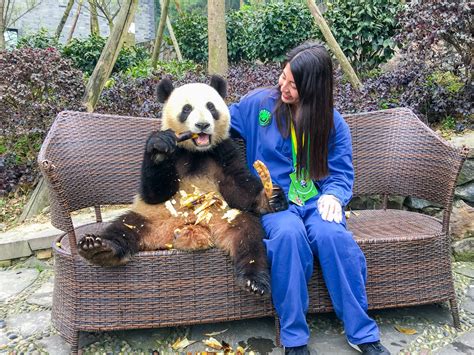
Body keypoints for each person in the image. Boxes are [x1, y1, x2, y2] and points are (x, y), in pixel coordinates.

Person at [229, 42, 390, 355]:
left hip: (317, 203)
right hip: (276, 203)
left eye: (293, 84)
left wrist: (334, 194)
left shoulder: (332, 123)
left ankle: (362, 332)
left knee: (334, 237)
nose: (283, 86)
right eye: (283, 76)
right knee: (288, 237)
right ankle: (294, 338)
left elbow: (341, 173)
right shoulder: (259, 104)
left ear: (314, 89)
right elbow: (220, 121)